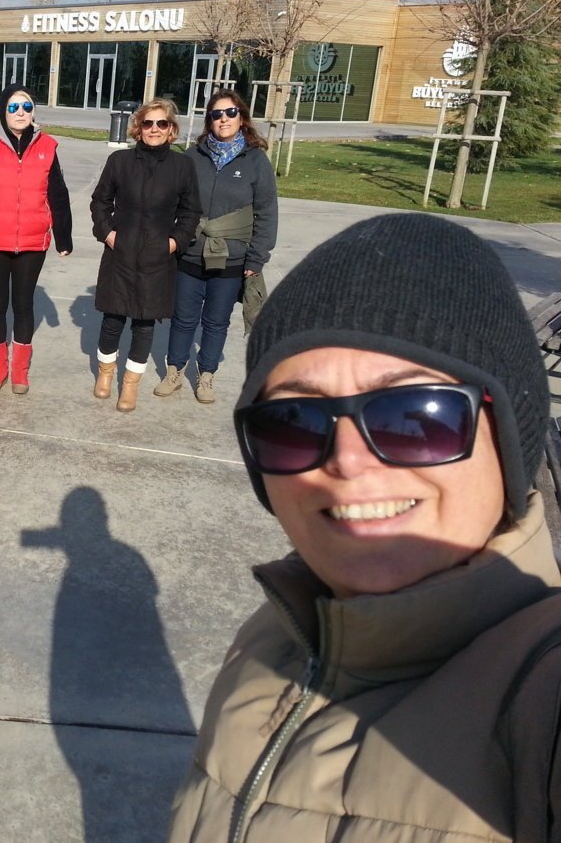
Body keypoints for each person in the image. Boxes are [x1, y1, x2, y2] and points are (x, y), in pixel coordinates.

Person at [169, 213, 559, 841]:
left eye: (416, 416)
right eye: (294, 423)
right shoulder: (272, 636)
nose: (347, 461)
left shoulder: (541, 697)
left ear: (510, 435)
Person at [156, 88, 278, 405]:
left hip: (232, 258)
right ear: (209, 120)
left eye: (230, 113)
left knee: (216, 321)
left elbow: (267, 213)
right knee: (183, 318)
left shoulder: (256, 161)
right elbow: (172, 202)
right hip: (190, 254)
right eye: (216, 114)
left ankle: (207, 374)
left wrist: (257, 257)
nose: (223, 119)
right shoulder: (192, 157)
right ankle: (175, 370)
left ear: (242, 118)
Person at [0, 83, 73, 394]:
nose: (20, 112)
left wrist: (63, 237)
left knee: (23, 304)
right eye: (13, 107)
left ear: (33, 112)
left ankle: (20, 370)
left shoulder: (48, 146)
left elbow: (58, 194)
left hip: (33, 242)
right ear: (3, 112)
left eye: (26, 107)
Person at [89, 98, 200, 412]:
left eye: (161, 123)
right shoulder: (119, 161)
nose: (154, 129)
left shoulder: (182, 166)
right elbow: (100, 202)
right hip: (120, 254)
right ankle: (106, 373)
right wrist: (108, 234)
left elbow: (191, 212)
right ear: (138, 127)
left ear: (171, 129)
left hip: (157, 259)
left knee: (144, 324)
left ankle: (130, 384)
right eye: (148, 123)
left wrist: (173, 243)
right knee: (112, 319)